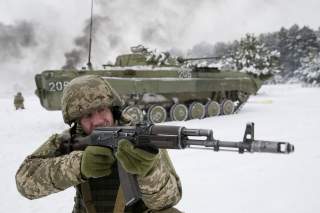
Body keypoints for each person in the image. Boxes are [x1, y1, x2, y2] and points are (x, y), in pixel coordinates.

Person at [15, 75, 182, 213]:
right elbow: (25, 182)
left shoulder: (139, 139)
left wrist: (148, 172)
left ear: (112, 109)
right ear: (78, 122)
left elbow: (170, 199)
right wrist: (78, 165)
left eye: (102, 110)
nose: (97, 121)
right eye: (87, 116)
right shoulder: (71, 140)